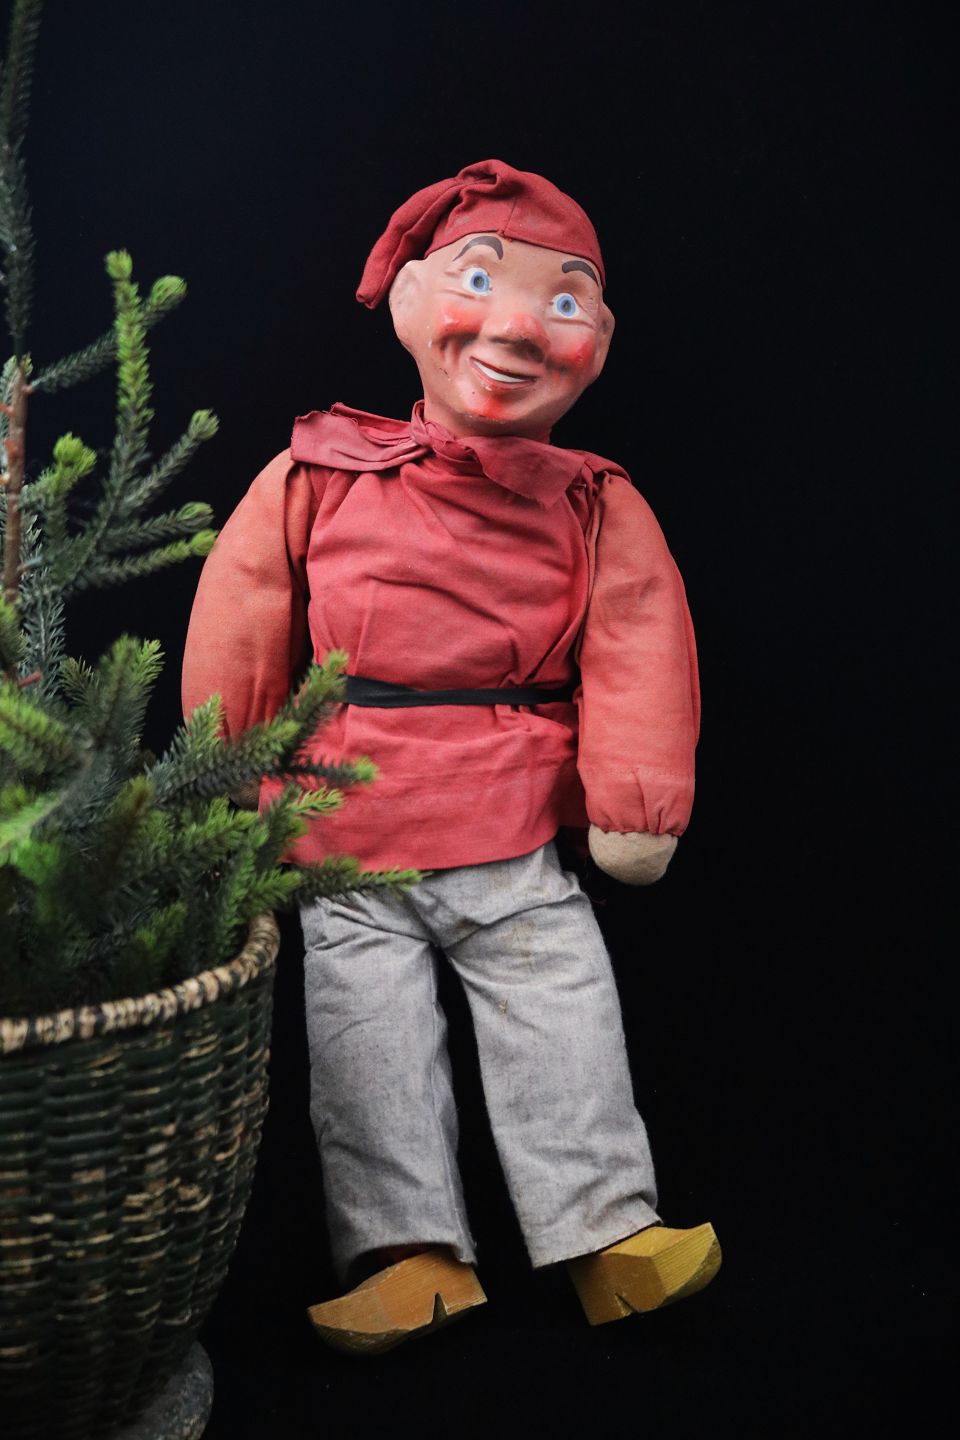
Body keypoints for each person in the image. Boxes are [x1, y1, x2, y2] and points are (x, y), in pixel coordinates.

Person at [182, 159, 720, 1354]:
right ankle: (407, 1254)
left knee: (561, 1018)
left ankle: (608, 1232)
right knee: (363, 1045)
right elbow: (246, 615)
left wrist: (634, 802)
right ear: (416, 300)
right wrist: (224, 775)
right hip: (345, 827)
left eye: (563, 301)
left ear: (597, 339)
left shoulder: (593, 502)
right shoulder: (320, 472)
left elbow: (638, 641)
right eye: (482, 282)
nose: (519, 328)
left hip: (510, 819)